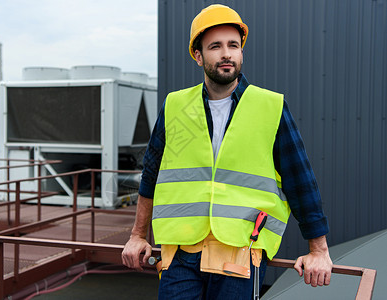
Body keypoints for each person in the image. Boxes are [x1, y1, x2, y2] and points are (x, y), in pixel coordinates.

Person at [122, 4, 332, 299]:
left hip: (241, 251)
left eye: (234, 45)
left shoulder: (269, 107)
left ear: (241, 52)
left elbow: (300, 182)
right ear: (198, 55)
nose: (226, 54)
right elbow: (151, 176)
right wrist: (137, 236)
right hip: (181, 253)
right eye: (215, 46)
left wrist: (318, 250)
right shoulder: (176, 107)